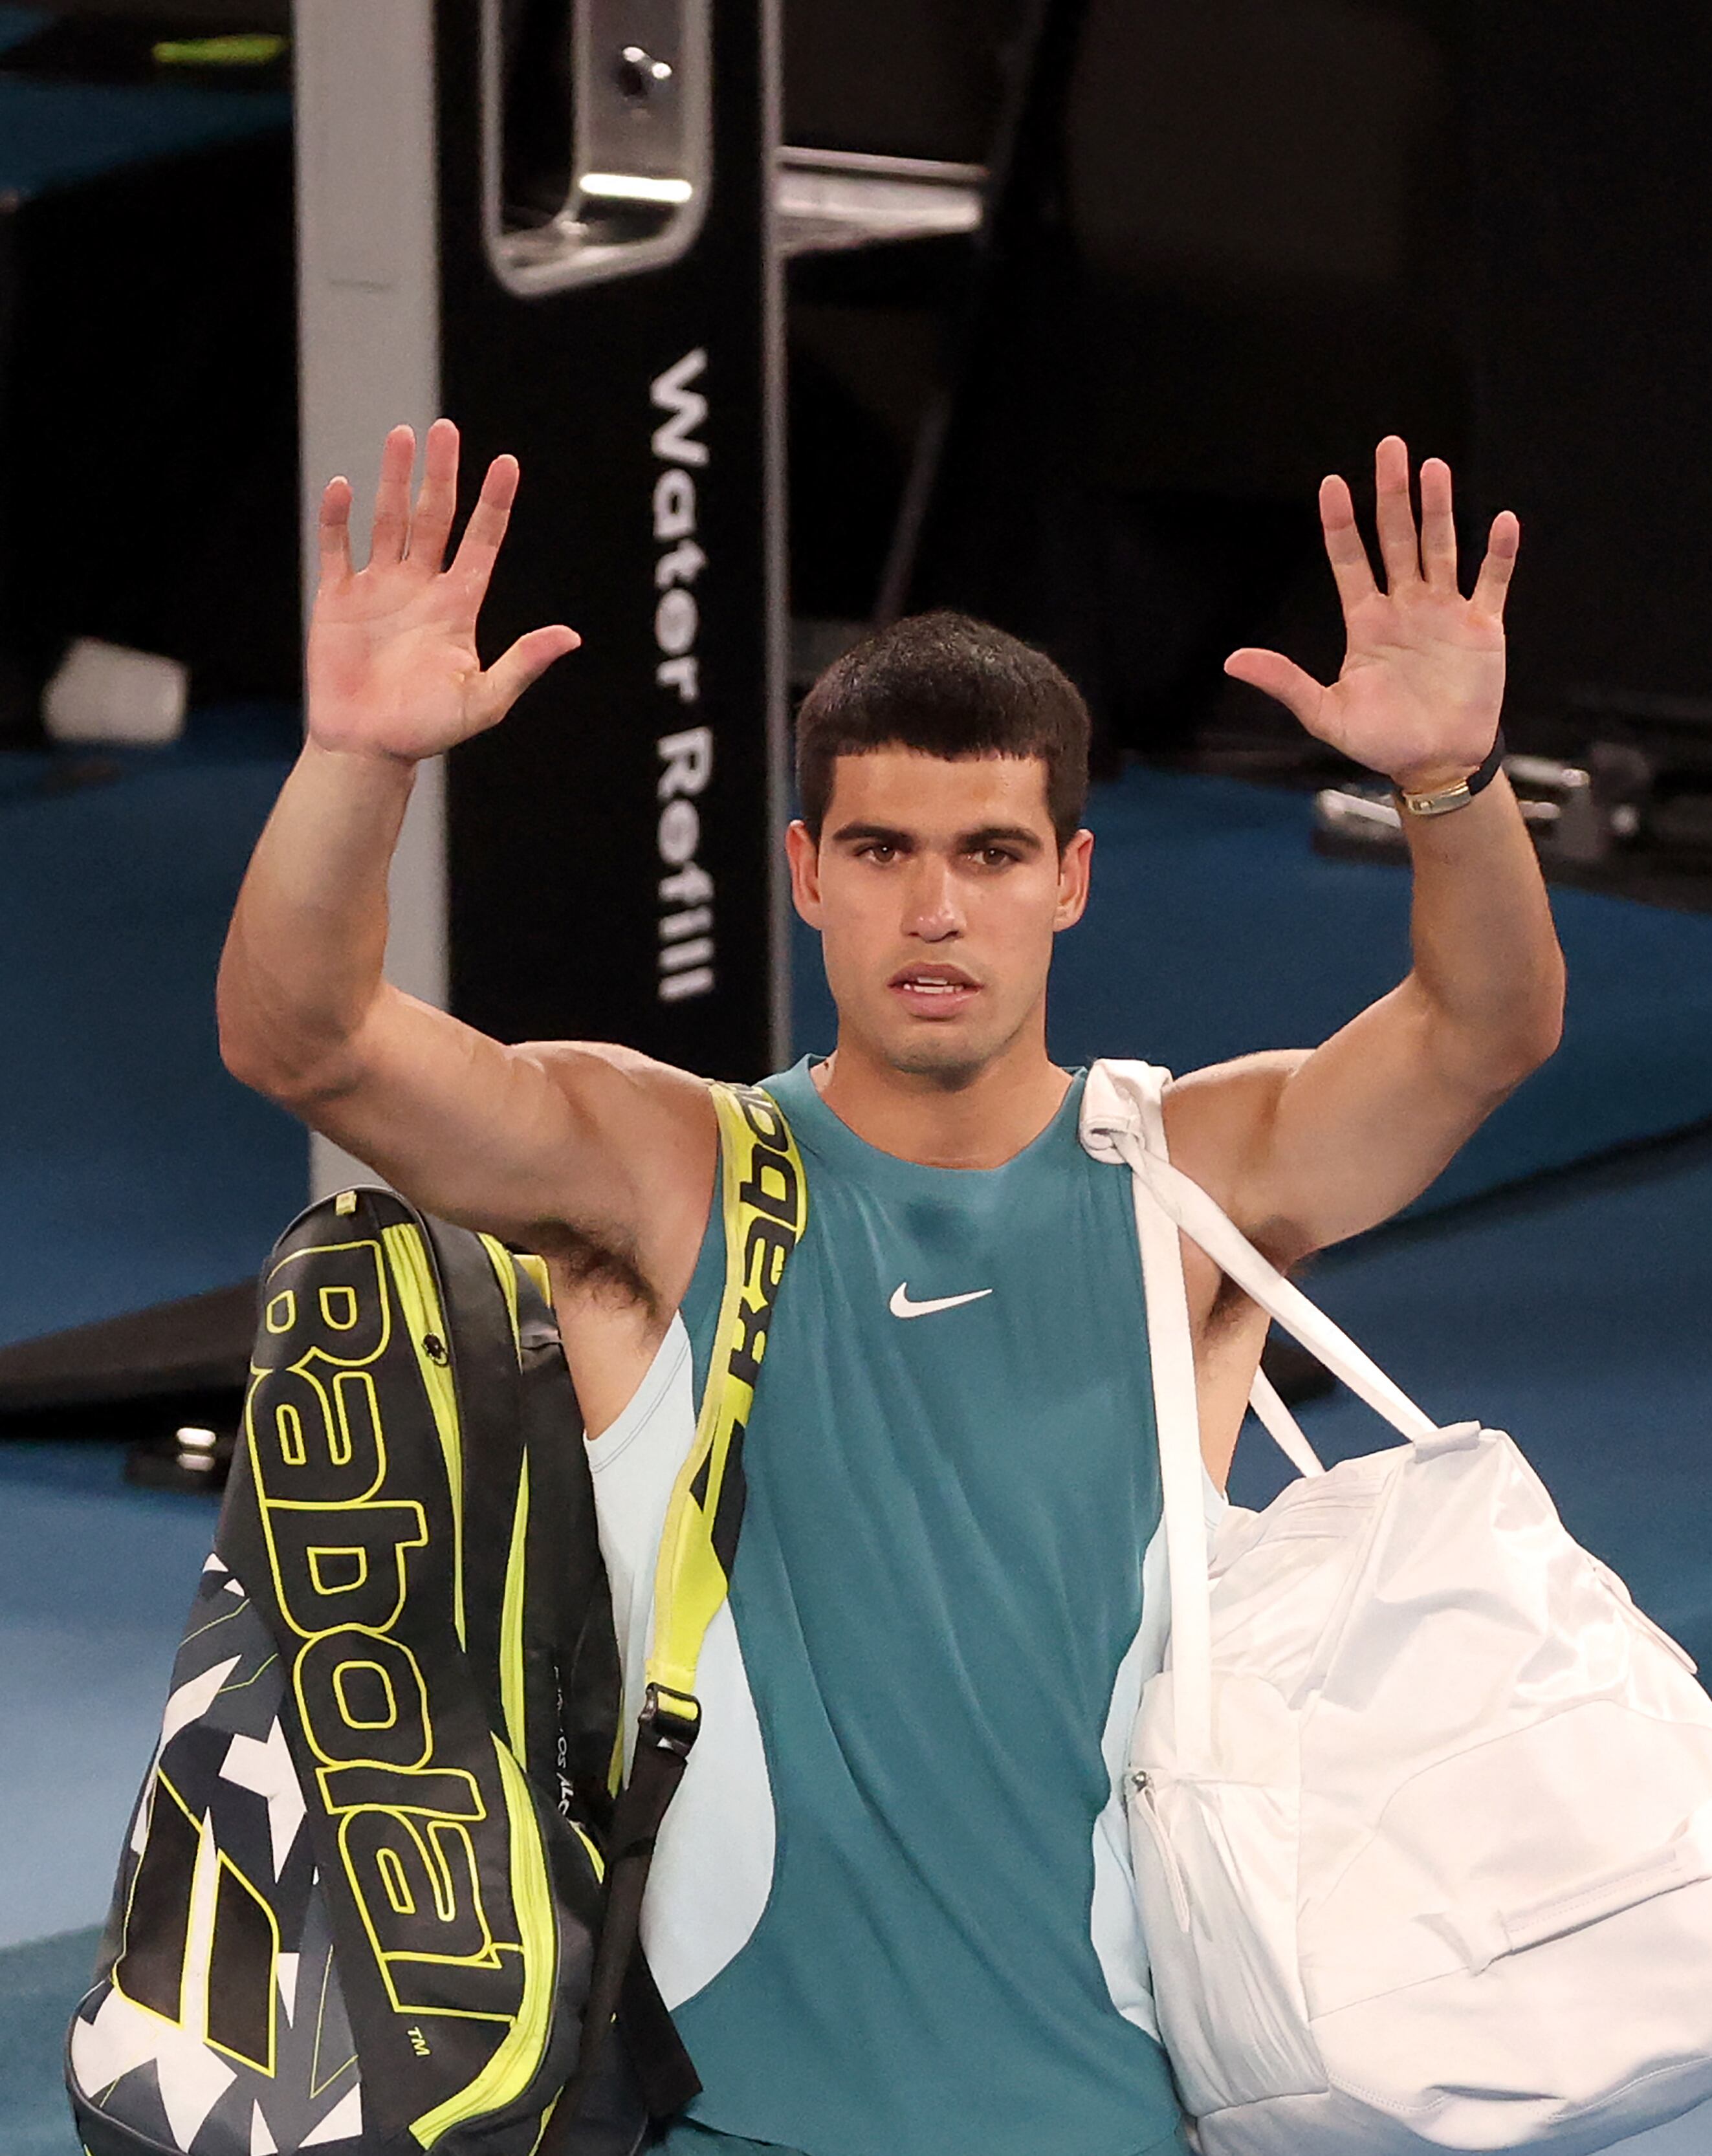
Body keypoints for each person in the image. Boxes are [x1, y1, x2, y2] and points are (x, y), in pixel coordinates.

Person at [215, 421, 1565, 2156]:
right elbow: (302, 1035)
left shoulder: (1189, 1185)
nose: (937, 908)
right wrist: (357, 761)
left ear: (1069, 882)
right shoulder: (663, 1170)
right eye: (882, 852)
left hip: (1115, 2122)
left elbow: (1485, 1033)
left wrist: (1451, 787)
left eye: (994, 854)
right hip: (733, 2130)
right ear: (805, 872)